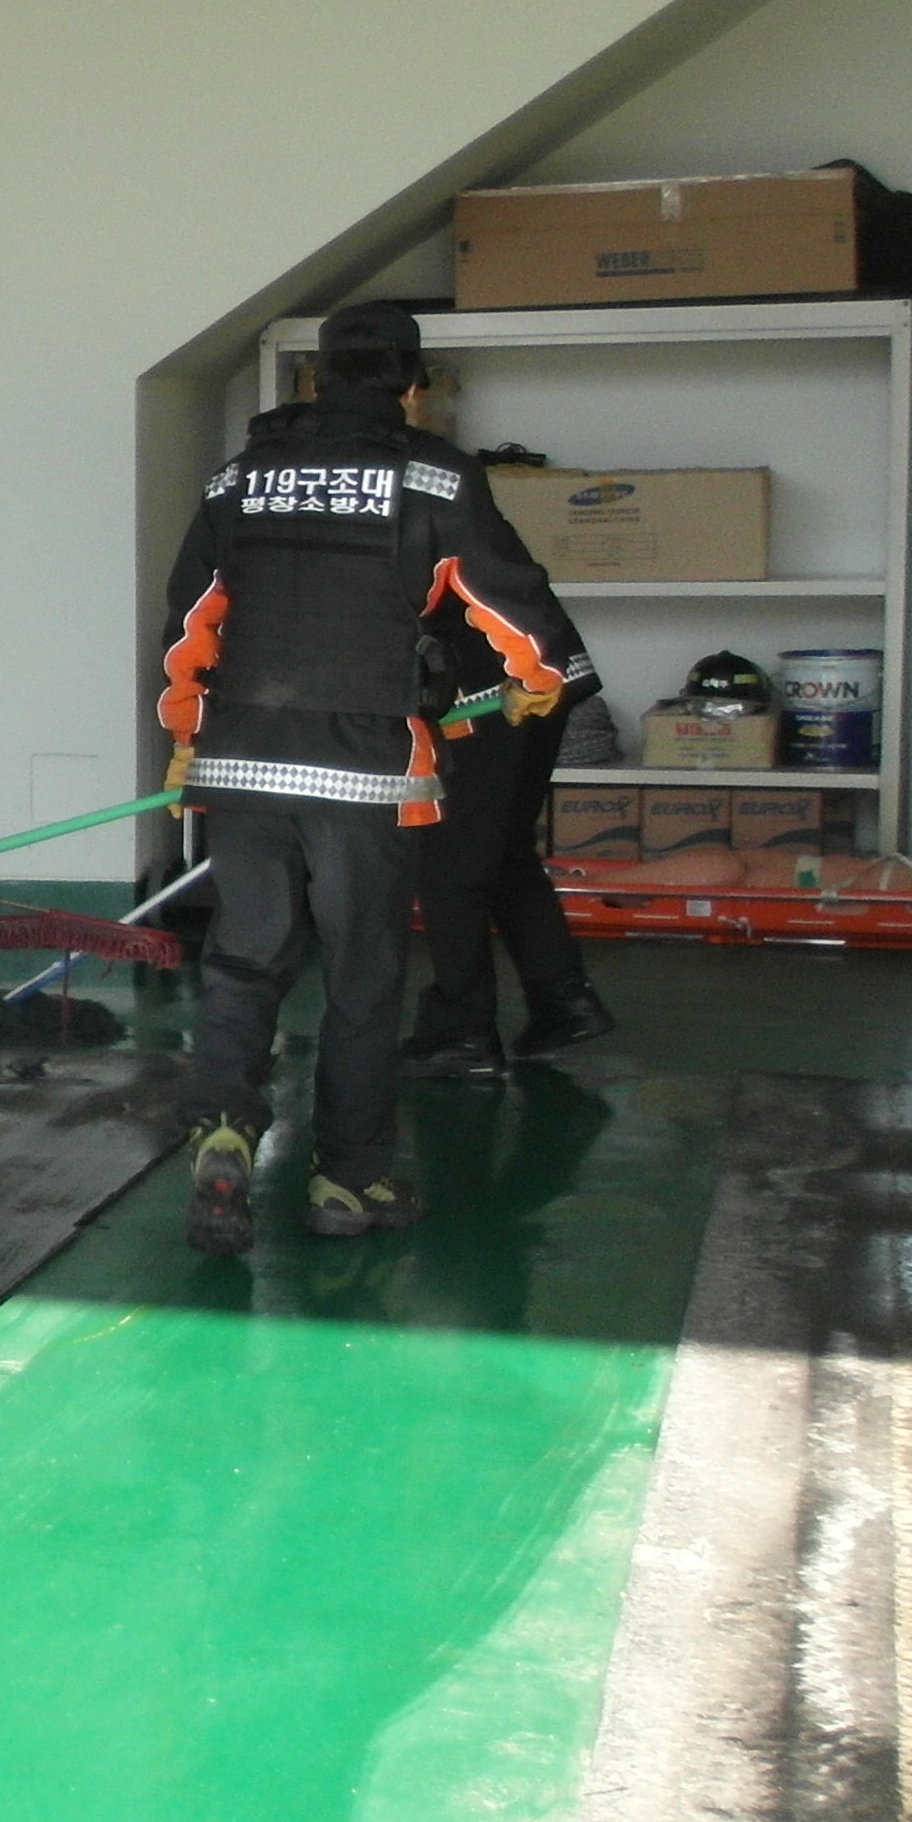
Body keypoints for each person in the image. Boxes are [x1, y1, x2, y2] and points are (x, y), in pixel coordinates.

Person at [154, 298, 566, 1254]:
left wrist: (184, 731)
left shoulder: (238, 477)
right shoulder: (434, 476)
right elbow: (509, 597)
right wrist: (534, 681)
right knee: (362, 975)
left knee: (246, 958)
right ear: (412, 387)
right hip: (367, 772)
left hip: (243, 760)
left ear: (314, 378)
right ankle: (347, 1177)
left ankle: (225, 1126)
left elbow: (191, 619)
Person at [399, 395, 617, 1081]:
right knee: (501, 850)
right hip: (544, 676)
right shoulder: (434, 470)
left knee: (451, 863)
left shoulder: (404, 477)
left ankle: (463, 1031)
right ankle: (564, 1001)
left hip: (497, 690)